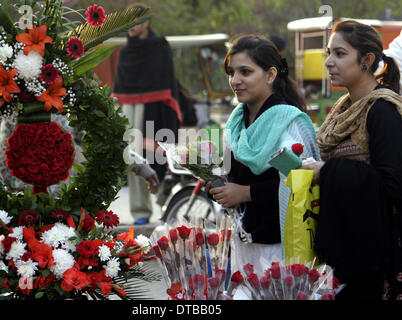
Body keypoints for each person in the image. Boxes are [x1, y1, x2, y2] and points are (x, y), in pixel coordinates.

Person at [205, 35, 320, 294]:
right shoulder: (235, 122)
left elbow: (302, 184)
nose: (235, 80)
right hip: (244, 244)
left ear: (270, 74)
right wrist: (214, 184)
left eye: (245, 72)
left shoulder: (288, 120)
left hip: (281, 246)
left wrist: (245, 193)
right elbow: (229, 174)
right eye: (231, 72)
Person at [301, 20, 402, 300]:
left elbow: (392, 184)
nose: (329, 62)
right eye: (328, 53)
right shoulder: (342, 110)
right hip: (342, 253)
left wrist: (328, 171)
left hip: (373, 260)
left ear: (366, 60)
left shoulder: (383, 112)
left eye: (340, 54)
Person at [113, 4, 181, 225]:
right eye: (129, 22)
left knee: (158, 155)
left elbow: (167, 80)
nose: (133, 26)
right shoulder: (125, 52)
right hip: (128, 108)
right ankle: (140, 210)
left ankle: (165, 202)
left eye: (137, 21)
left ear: (147, 22)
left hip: (155, 108)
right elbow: (120, 86)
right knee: (133, 156)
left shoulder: (160, 46)